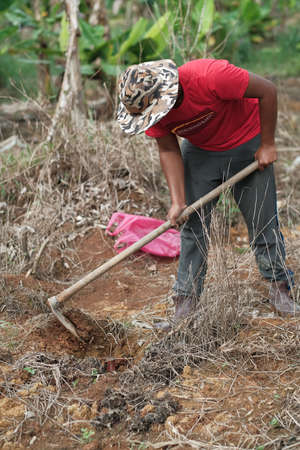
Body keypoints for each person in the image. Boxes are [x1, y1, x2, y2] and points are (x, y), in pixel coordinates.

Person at [116, 58, 300, 328]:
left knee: (263, 221)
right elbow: (168, 149)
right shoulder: (150, 111)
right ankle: (186, 301)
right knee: (193, 225)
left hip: (248, 140)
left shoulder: (211, 77)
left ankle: (279, 288)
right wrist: (178, 201)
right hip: (202, 151)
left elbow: (268, 90)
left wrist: (267, 144)